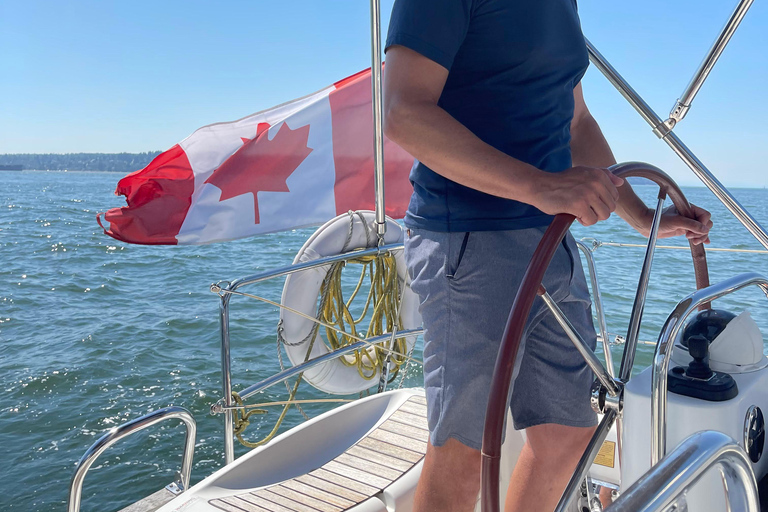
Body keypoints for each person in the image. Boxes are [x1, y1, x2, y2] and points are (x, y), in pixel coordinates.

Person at [382, 1, 713, 511]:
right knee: (463, 452)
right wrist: (539, 185)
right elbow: (405, 113)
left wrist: (643, 218)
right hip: (469, 242)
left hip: (551, 242)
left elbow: (577, 122)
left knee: (567, 436)